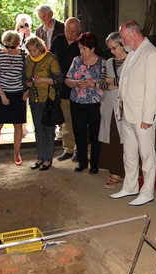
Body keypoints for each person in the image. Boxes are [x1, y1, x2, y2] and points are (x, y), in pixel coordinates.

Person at [109, 20, 156, 207]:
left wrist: (148, 118)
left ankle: (147, 192)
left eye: (123, 37)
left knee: (147, 155)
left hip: (143, 116)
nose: (122, 41)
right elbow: (125, 84)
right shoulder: (133, 53)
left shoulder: (151, 54)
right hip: (128, 113)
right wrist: (120, 109)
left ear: (133, 34)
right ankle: (130, 186)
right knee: (129, 154)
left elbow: (153, 89)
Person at [65, 32, 106, 173]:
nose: (82, 51)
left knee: (95, 135)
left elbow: (107, 84)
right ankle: (82, 162)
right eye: (80, 48)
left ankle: (95, 164)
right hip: (77, 102)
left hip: (95, 104)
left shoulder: (103, 63)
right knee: (79, 133)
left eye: (84, 48)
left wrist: (92, 85)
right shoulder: (76, 61)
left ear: (93, 48)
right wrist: (76, 83)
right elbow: (67, 80)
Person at [0, 31, 26, 170]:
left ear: (18, 45)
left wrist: (26, 91)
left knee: (18, 125)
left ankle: (17, 154)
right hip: (1, 92)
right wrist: (2, 95)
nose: (9, 49)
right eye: (7, 46)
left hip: (18, 93)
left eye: (12, 47)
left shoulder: (23, 55)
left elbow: (26, 75)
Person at [24, 36, 64, 171]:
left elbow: (59, 80)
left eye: (34, 50)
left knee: (48, 129)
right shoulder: (28, 59)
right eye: (30, 51)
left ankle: (48, 159)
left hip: (48, 100)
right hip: (34, 99)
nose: (32, 53)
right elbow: (25, 77)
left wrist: (43, 80)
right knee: (38, 129)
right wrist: (28, 84)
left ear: (40, 48)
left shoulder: (51, 59)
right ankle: (39, 158)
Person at [98, 32, 127, 188]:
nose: (112, 51)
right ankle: (113, 171)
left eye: (115, 47)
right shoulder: (109, 62)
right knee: (109, 139)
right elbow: (102, 83)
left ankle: (117, 174)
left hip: (123, 107)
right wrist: (115, 83)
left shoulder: (131, 61)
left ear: (123, 44)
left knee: (118, 139)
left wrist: (113, 82)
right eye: (110, 49)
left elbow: (129, 82)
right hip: (109, 105)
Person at [51, 17, 81, 162]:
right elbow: (51, 58)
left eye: (74, 32)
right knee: (65, 120)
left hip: (78, 88)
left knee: (78, 121)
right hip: (60, 88)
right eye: (68, 31)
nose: (70, 34)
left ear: (79, 31)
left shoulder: (82, 43)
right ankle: (68, 149)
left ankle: (78, 149)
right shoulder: (58, 40)